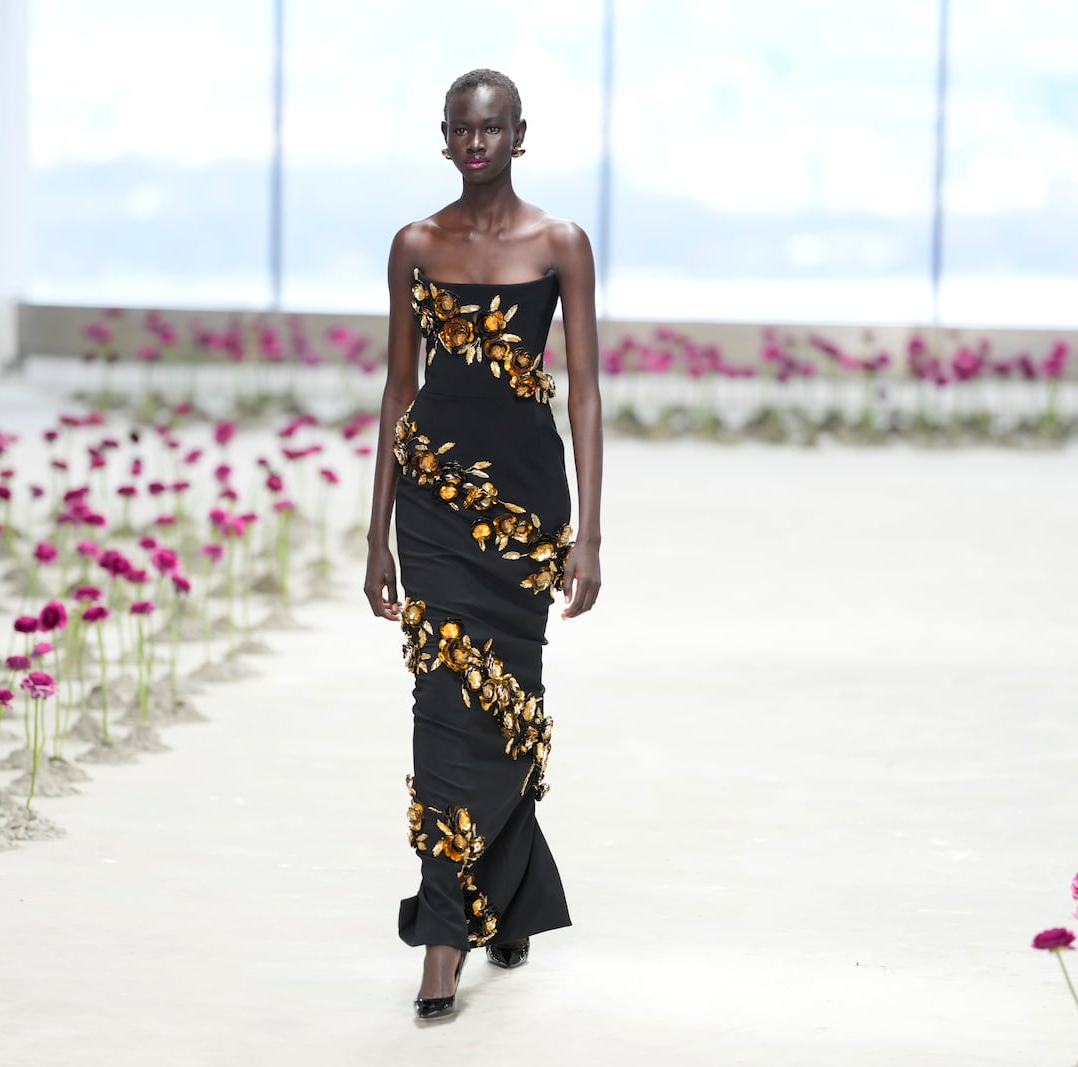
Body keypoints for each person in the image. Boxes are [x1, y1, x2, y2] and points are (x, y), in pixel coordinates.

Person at [363, 68, 603, 1021]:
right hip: (431, 510)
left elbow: (582, 391)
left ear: (520, 134)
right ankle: (442, 935)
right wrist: (376, 530)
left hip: (525, 514)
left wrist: (588, 531)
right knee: (442, 710)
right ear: (444, 137)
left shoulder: (562, 244)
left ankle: (504, 898)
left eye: (493, 128)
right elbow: (397, 388)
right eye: (462, 130)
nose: (477, 143)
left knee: (510, 705)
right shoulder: (416, 243)